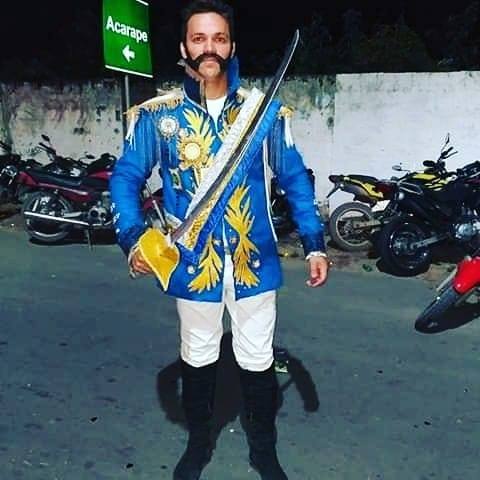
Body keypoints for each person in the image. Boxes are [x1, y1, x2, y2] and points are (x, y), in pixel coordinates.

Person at [109, 1, 329, 479]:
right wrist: (134, 237)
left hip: (254, 261)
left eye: (219, 38)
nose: (209, 48)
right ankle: (198, 444)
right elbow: (125, 178)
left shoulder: (264, 113)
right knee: (198, 355)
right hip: (192, 264)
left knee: (258, 359)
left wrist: (314, 241)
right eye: (199, 38)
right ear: (184, 47)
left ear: (231, 46)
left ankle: (263, 451)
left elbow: (294, 179)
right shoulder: (158, 117)